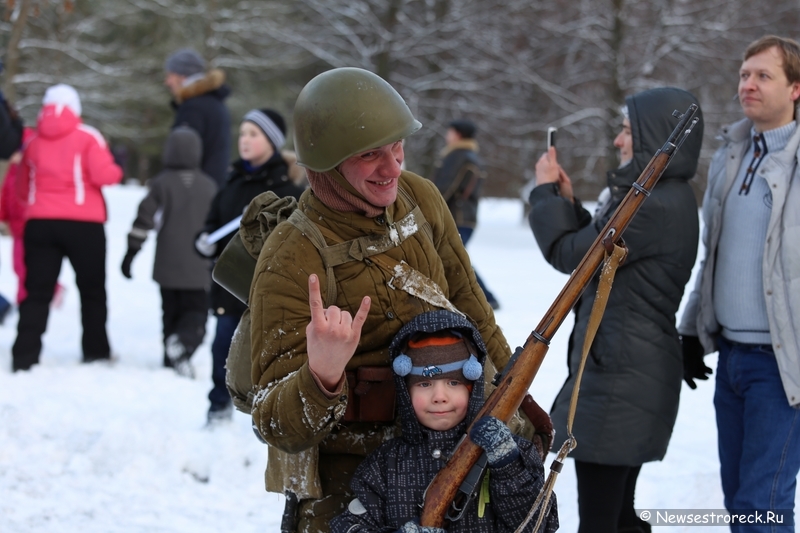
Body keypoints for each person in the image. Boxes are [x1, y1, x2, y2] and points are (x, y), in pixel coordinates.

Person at [245, 67, 549, 533]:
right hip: (355, 488)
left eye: (396, 147)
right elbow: (273, 421)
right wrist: (322, 376)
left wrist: (513, 398)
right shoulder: (290, 256)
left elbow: (469, 303)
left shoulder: (421, 198)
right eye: (370, 154)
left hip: (455, 458)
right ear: (327, 162)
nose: (393, 168)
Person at [528, 87, 704, 533]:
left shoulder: (652, 206)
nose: (617, 141)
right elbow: (601, 247)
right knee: (621, 516)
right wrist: (567, 202)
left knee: (602, 521)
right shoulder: (659, 197)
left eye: (627, 131)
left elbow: (574, 257)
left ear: (655, 138)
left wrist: (545, 193)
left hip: (620, 380)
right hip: (629, 373)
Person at [678, 35, 800, 531]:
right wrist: (692, 328)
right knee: (739, 500)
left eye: (763, 76)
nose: (747, 85)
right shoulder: (732, 154)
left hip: (781, 368)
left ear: (796, 89)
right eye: (745, 74)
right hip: (731, 358)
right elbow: (715, 256)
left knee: (762, 504)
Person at [330, 309, 558, 533]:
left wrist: (508, 467)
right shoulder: (384, 465)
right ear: (405, 391)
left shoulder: (513, 454)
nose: (439, 397)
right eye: (425, 384)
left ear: (474, 387)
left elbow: (540, 525)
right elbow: (350, 526)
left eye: (453, 383)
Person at [194, 108, 304, 423]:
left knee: (270, 358)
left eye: (253, 134)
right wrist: (202, 241)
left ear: (271, 141)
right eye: (242, 133)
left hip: (272, 296)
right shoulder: (229, 185)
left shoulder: (288, 192)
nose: (245, 140)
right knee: (221, 352)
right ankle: (219, 408)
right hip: (229, 291)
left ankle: (268, 415)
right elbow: (210, 227)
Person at [12, 84, 122, 371]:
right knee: (92, 289)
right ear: (76, 108)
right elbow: (105, 176)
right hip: (84, 225)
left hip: (40, 223)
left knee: (36, 291)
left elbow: (22, 187)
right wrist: (117, 165)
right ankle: (96, 353)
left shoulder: (33, 141)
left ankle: (24, 355)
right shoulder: (88, 137)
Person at [121, 126, 217, 378]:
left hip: (167, 266)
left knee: (170, 313)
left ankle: (170, 355)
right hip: (198, 267)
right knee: (196, 315)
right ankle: (183, 344)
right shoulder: (209, 187)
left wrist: (130, 253)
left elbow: (144, 219)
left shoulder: (161, 184)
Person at [431, 119, 499, 310]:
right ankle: (483, 297)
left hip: (456, 217)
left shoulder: (458, 156)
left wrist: (429, 204)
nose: (447, 135)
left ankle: (484, 298)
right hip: (465, 217)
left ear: (458, 134)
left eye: (450, 131)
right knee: (454, 257)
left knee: (454, 258)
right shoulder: (470, 155)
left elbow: (444, 187)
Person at [164, 48, 231, 187]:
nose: (167, 82)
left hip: (195, 192)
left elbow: (183, 157)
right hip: (211, 188)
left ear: (182, 76)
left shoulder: (193, 107)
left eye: (170, 75)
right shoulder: (213, 102)